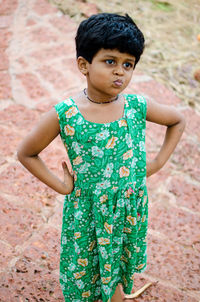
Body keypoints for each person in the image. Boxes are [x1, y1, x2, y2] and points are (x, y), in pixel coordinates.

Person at [17, 13, 185, 302]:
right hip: (88, 215)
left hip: (126, 210)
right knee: (86, 270)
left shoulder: (137, 106)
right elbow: (26, 153)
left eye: (128, 64)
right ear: (84, 64)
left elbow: (177, 121)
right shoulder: (66, 113)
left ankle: (117, 295)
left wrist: (157, 163)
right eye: (110, 61)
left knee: (118, 260)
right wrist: (61, 185)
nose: (120, 72)